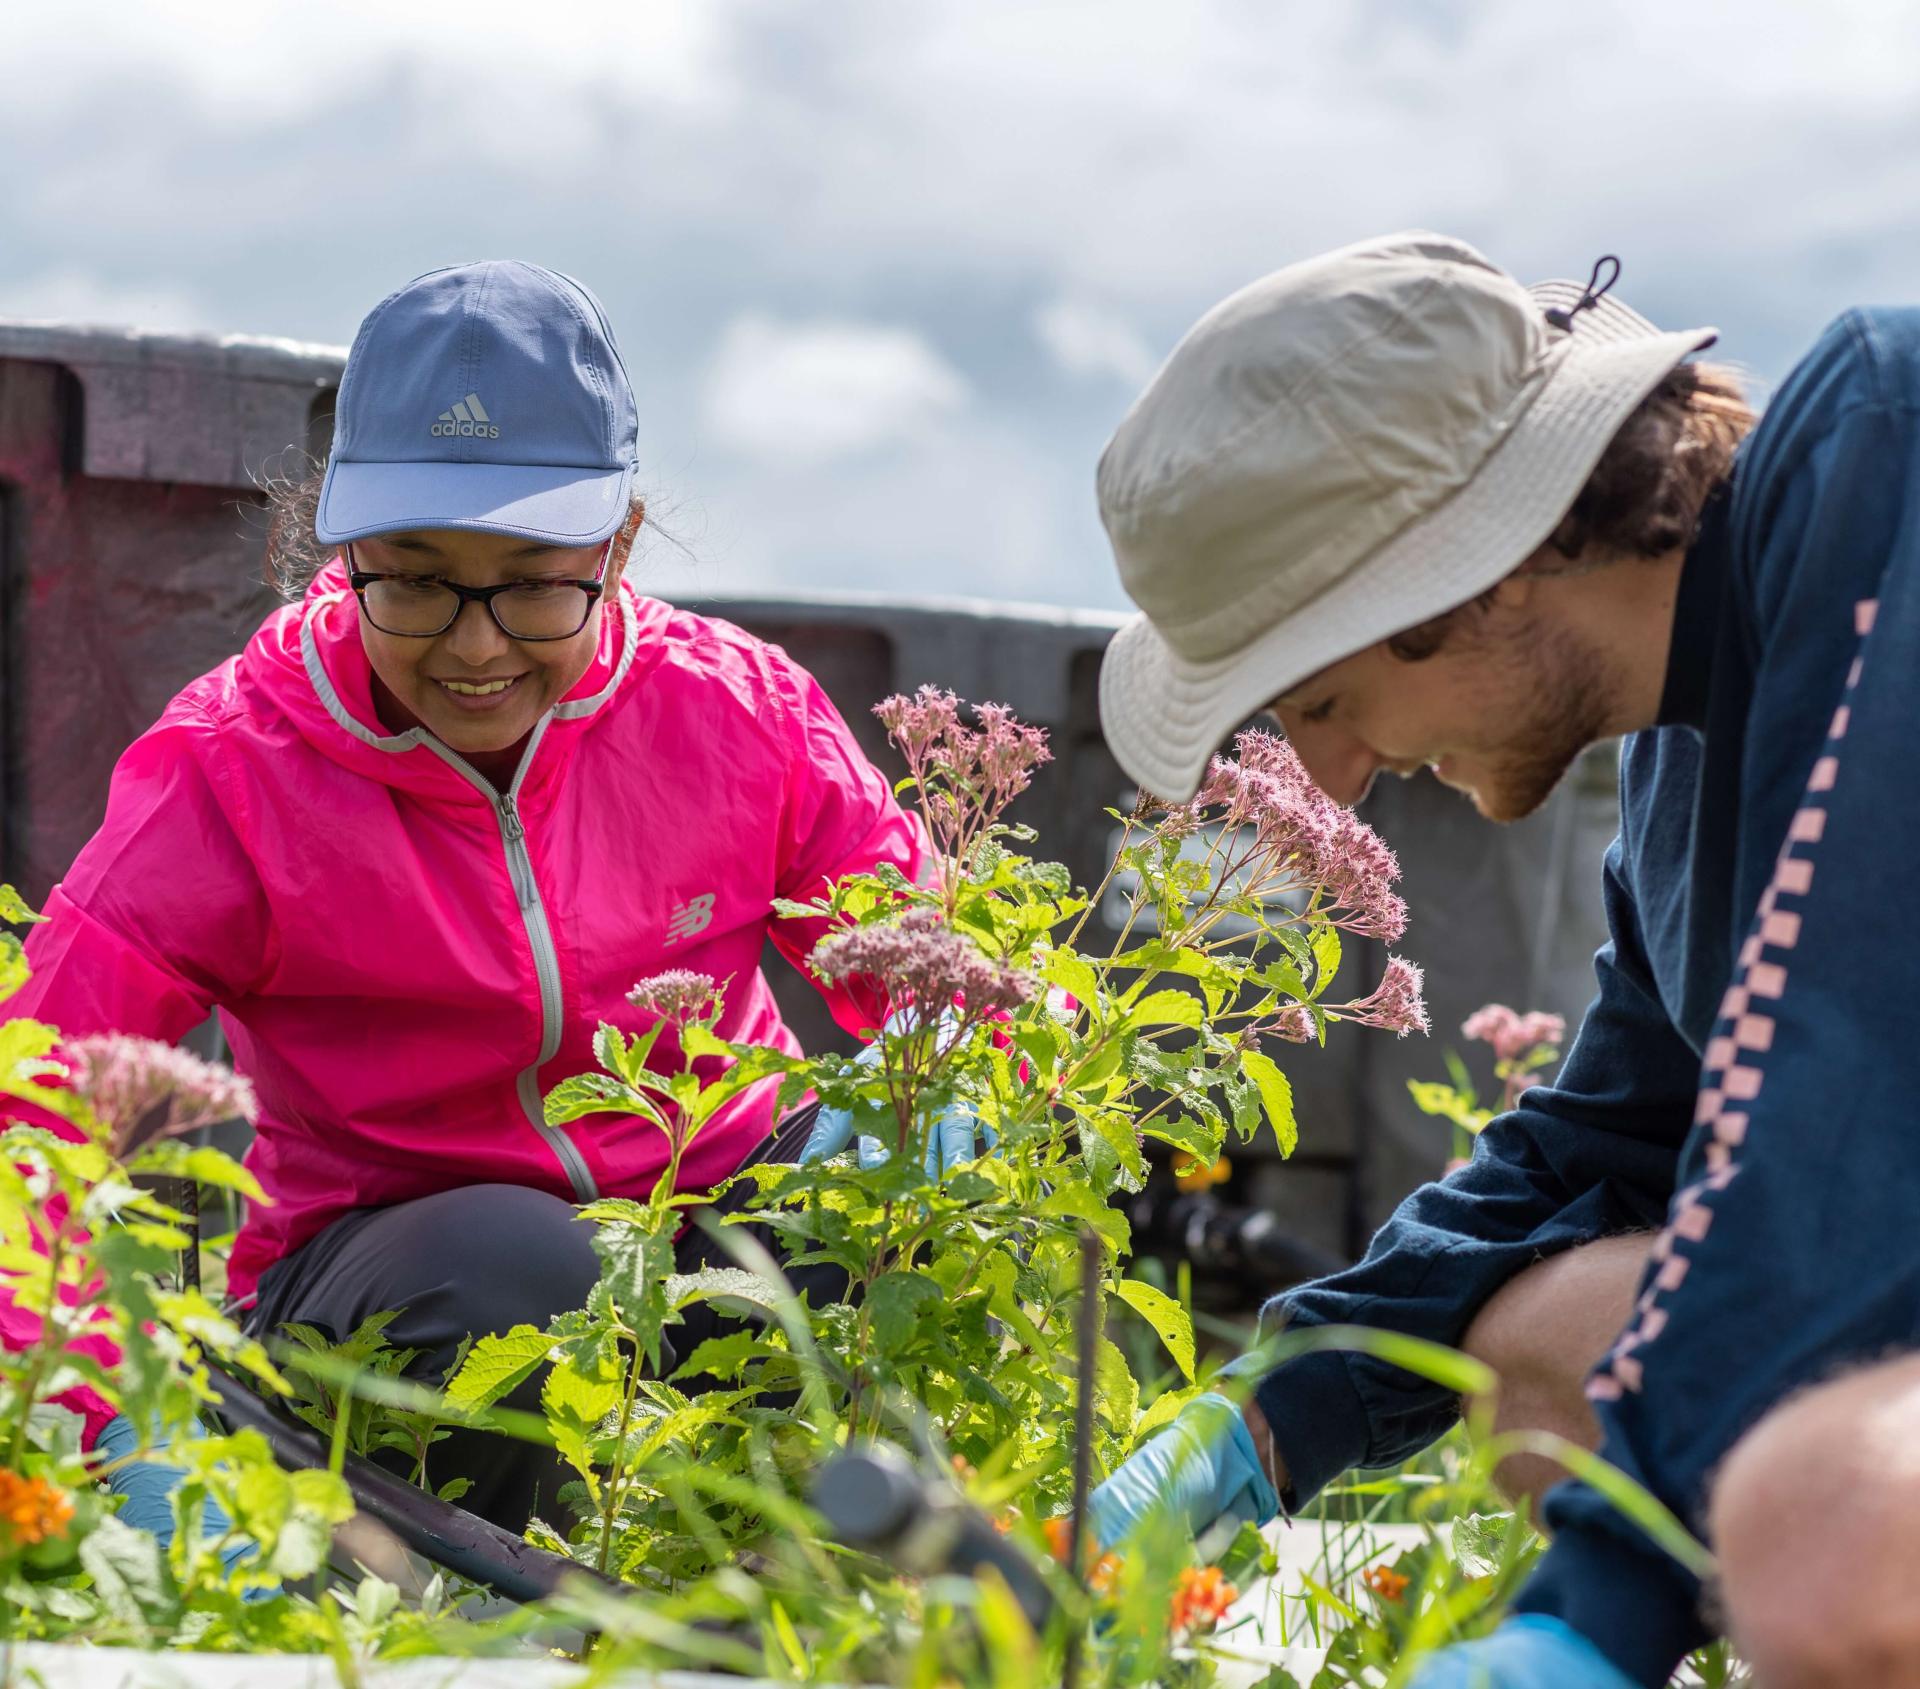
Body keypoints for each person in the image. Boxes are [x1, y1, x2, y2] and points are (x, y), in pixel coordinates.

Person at [1085, 231, 1920, 1686]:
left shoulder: (1885, 450)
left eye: (1330, 695)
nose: (1332, 778)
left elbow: (1849, 1115)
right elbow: (1604, 1145)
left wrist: (1589, 1622)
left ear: (1484, 569)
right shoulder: (1687, 746)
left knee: (1821, 1523)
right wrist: (1281, 1406)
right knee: (1546, 1336)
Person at [4, 260, 947, 1547]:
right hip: (404, 1279)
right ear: (339, 554)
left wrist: (940, 1123)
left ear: (617, 545)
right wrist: (100, 1414)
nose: (475, 643)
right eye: (415, 578)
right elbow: (37, 1106)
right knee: (535, 1272)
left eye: (530, 580)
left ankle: (782, 1593)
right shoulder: (235, 767)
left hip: (705, 1212)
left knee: (853, 1229)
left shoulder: (735, 711)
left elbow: (946, 983)